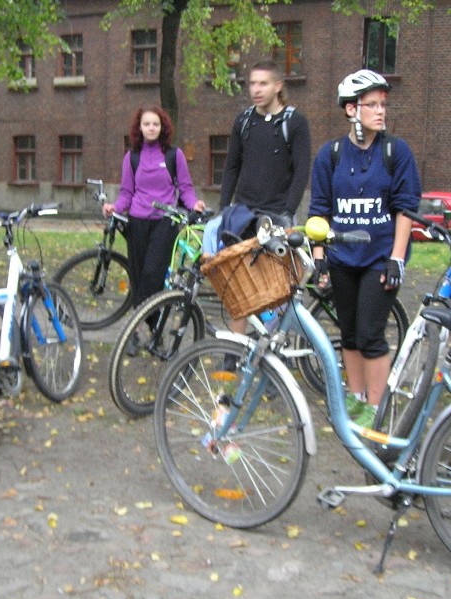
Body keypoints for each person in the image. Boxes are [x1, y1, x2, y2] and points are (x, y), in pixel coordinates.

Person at [308, 69, 421, 427]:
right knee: (350, 333)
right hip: (341, 256)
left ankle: (376, 408)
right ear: (350, 110)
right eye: (371, 104)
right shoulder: (331, 154)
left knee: (372, 333)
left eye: (382, 104)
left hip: (380, 257)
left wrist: (396, 259)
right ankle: (354, 401)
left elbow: (405, 207)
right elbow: (319, 212)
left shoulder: (395, 151)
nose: (380, 111)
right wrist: (320, 260)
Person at [103, 106, 205, 352]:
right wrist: (115, 207)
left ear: (163, 127)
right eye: (147, 124)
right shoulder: (132, 157)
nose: (151, 128)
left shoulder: (173, 155)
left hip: (165, 221)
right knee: (138, 278)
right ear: (140, 127)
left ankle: (141, 326)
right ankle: (144, 333)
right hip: (137, 222)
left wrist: (194, 204)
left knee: (153, 275)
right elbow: (127, 191)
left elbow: (185, 187)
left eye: (155, 124)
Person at [219, 60, 311, 228]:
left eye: (263, 84)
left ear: (277, 86)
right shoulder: (243, 120)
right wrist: (223, 208)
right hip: (242, 214)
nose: (256, 90)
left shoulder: (294, 121)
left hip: (277, 215)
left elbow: (301, 171)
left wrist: (288, 213)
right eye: (253, 84)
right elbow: (231, 167)